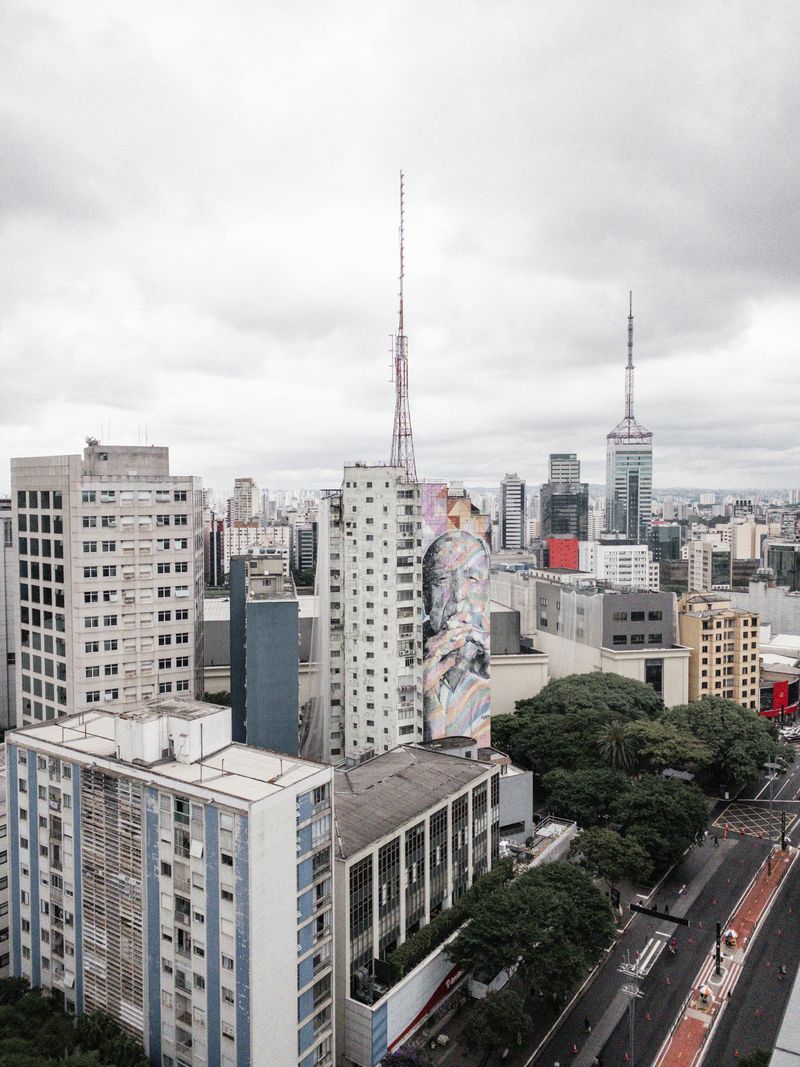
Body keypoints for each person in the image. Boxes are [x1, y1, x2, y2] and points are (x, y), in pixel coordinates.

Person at [422, 529, 491, 745]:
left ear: (486, 592)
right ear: (425, 596)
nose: (459, 595)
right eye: (442, 580)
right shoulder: (407, 655)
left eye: (472, 578)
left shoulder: (488, 657)